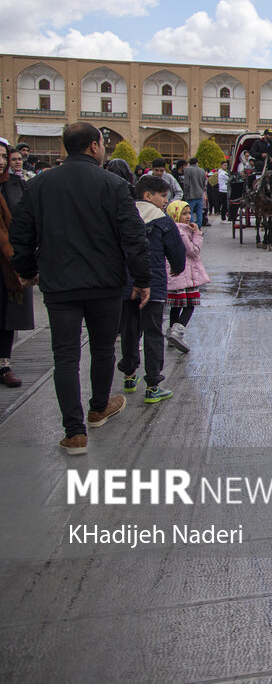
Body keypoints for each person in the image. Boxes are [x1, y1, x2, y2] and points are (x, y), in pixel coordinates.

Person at [10, 123, 150, 454]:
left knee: (65, 356)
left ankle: (74, 433)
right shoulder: (114, 184)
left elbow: (21, 235)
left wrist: (28, 271)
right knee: (103, 348)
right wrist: (142, 279)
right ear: (93, 146)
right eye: (103, 143)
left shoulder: (39, 184)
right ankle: (99, 408)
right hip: (105, 283)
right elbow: (134, 237)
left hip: (59, 284)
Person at [118, 175, 185, 404]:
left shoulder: (123, 216)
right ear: (148, 195)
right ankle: (153, 385)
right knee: (153, 332)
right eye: (163, 196)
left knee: (129, 329)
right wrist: (177, 267)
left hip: (126, 284)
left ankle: (129, 375)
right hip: (153, 284)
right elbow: (176, 249)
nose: (166, 201)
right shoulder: (162, 219)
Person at [0, 138, 33, 388]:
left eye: (4, 156)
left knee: (6, 312)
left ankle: (4, 364)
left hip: (8, 260)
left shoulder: (13, 184)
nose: (1, 161)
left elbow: (23, 219)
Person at [163, 200, 209, 354]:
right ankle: (178, 331)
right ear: (175, 215)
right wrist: (197, 234)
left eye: (189, 213)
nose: (188, 216)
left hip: (177, 275)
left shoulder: (171, 230)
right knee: (190, 305)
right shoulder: (182, 232)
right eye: (184, 214)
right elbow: (193, 250)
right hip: (185, 275)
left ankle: (171, 333)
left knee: (176, 306)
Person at [182, 157, 207, 227]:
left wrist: (185, 193)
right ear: (197, 163)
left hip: (190, 194)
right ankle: (199, 225)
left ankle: (193, 225)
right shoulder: (202, 170)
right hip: (199, 194)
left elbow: (186, 183)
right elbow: (204, 183)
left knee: (190, 211)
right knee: (199, 212)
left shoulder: (187, 170)